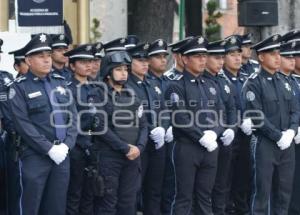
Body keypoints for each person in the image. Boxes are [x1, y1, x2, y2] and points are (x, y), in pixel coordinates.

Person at [8, 33, 78, 215]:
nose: (47, 60)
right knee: (31, 206)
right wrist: (48, 148)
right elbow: (22, 124)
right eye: (41, 56)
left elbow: (73, 117)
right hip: (35, 156)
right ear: (29, 61)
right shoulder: (19, 87)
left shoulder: (62, 83)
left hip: (62, 155)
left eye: (48, 55)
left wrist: (66, 146)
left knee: (56, 207)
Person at [165, 36, 225, 215]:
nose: (202, 60)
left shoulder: (211, 84)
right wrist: (201, 136)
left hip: (210, 147)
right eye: (197, 56)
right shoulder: (175, 86)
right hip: (187, 147)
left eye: (204, 55)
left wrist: (214, 134)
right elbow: (180, 118)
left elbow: (220, 114)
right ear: (184, 59)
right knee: (183, 198)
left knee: (205, 197)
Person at [243, 34, 299, 215]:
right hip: (265, 144)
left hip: (287, 145)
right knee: (262, 195)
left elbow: (295, 110)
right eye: (272, 53)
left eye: (278, 53)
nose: (278, 57)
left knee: (284, 194)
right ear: (260, 57)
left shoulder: (285, 82)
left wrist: (291, 131)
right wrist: (278, 136)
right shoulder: (253, 82)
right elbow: (256, 116)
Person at [92, 50, 148, 215]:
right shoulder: (98, 94)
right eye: (118, 69)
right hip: (110, 158)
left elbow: (143, 124)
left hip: (133, 158)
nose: (124, 73)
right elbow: (100, 127)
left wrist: (139, 147)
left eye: (125, 69)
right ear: (108, 73)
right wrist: (125, 148)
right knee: (108, 205)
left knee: (128, 204)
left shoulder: (133, 93)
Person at [127, 42, 170, 215]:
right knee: (133, 191)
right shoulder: (127, 86)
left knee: (155, 190)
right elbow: (132, 115)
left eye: (146, 60)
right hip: (139, 144)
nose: (145, 64)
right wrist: (153, 129)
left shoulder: (153, 84)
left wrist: (164, 128)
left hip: (157, 144)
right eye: (139, 60)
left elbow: (164, 110)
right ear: (130, 62)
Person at [203, 39, 237, 215]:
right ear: (206, 58)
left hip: (225, 142)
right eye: (216, 58)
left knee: (222, 185)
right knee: (205, 187)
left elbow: (231, 109)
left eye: (222, 58)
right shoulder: (201, 81)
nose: (221, 62)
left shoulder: (224, 82)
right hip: (208, 142)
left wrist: (232, 128)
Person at [64, 44, 98, 215]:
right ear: (72, 66)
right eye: (83, 62)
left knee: (91, 192)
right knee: (75, 192)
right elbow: (69, 121)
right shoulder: (67, 88)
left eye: (90, 61)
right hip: (77, 146)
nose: (88, 65)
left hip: (96, 144)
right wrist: (84, 144)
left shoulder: (97, 87)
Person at [222, 35, 252, 215]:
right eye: (232, 54)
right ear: (224, 57)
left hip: (246, 137)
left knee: (244, 179)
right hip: (228, 136)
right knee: (225, 181)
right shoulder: (220, 80)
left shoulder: (247, 79)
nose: (237, 57)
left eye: (238, 53)